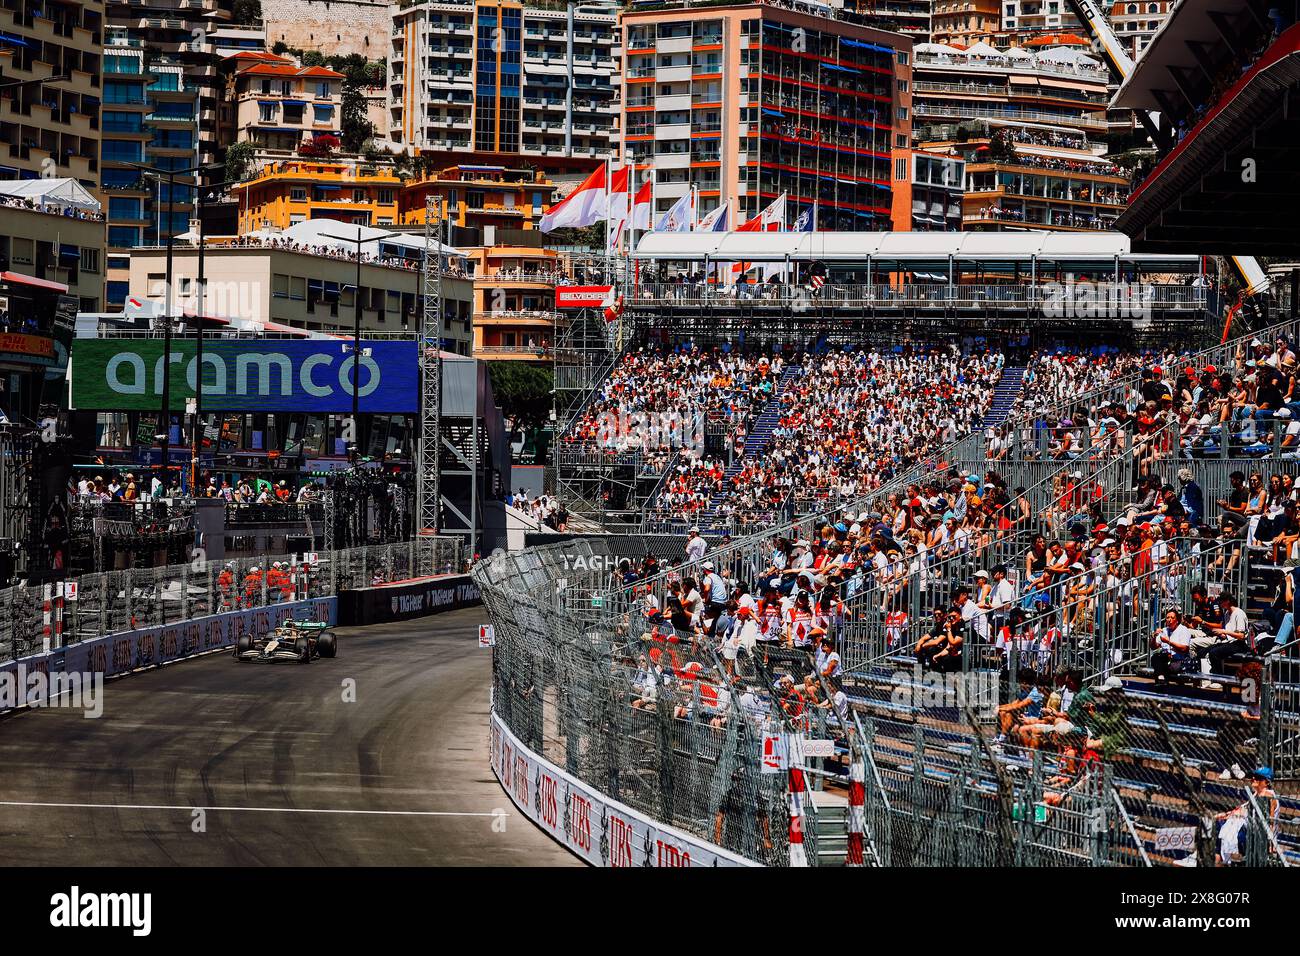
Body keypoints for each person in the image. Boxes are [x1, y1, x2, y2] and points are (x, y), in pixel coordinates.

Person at [1216, 767, 1278, 865]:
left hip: (1259, 837)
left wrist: (1270, 844)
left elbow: (1271, 821)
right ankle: (1221, 860)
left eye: (1257, 777)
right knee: (1221, 825)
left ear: (1266, 782)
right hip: (1251, 832)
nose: (1253, 778)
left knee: (1231, 832)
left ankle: (1227, 860)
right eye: (1253, 776)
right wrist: (1228, 814)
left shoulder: (1268, 795)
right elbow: (1243, 809)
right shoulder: (1256, 794)